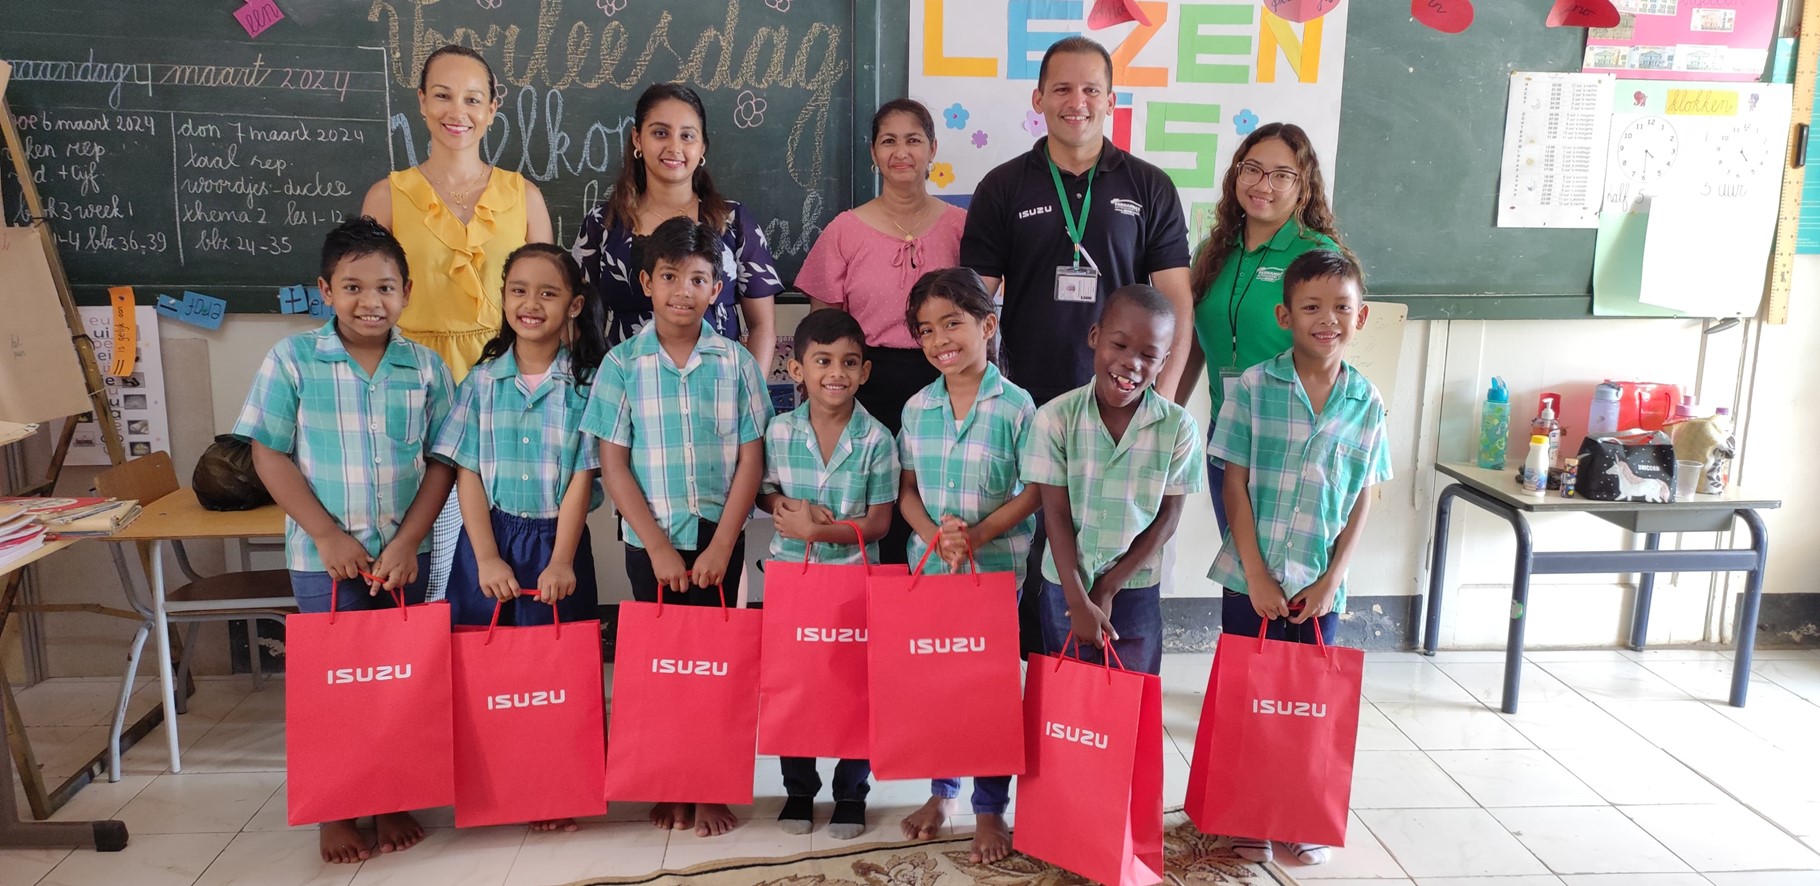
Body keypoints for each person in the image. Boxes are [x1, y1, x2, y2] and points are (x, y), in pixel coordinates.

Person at [233, 217, 456, 864]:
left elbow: (442, 462)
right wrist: (327, 535)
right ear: (325, 291)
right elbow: (268, 453)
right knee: (336, 689)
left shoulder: (425, 368)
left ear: (407, 292)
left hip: (404, 556)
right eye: (353, 287)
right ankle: (336, 811)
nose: (370, 301)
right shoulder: (293, 359)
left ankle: (390, 798)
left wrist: (410, 541)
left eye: (385, 287)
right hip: (322, 559)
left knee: (397, 684)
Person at [579, 216, 772, 838]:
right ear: (646, 282)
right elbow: (613, 462)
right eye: (669, 278)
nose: (682, 291)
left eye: (697, 279)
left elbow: (752, 458)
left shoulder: (737, 363)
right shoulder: (621, 364)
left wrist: (721, 544)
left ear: (717, 288)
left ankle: (710, 784)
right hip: (649, 543)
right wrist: (658, 545)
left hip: (718, 539)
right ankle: (669, 780)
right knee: (661, 667)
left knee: (716, 666)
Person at [1206, 250, 1390, 866]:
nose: (1327, 319)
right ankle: (1246, 813)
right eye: (1311, 306)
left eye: (1341, 307)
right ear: (1285, 315)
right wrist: (1255, 572)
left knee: (1304, 704)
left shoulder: (1367, 402)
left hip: (1319, 583)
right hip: (1250, 578)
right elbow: (1234, 482)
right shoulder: (1254, 387)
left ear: (1361, 317)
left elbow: (1365, 493)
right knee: (1249, 699)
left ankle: (1296, 812)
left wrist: (1334, 578)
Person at [360, 43, 554, 603]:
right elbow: (367, 306)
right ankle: (417, 665)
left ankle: (485, 667)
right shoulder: (388, 195)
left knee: (496, 540)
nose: (457, 111)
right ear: (421, 102)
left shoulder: (523, 196)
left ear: (494, 108)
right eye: (442, 96)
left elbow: (549, 304)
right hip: (409, 380)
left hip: (506, 382)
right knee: (413, 539)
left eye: (473, 99)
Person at [893, 267, 1040, 863]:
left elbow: (1032, 491)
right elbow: (906, 492)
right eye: (925, 330)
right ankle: (942, 792)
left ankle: (989, 808)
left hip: (996, 572)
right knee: (939, 688)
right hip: (931, 571)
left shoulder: (1018, 406)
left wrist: (975, 536)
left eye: (951, 323)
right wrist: (937, 538)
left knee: (990, 693)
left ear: (987, 325)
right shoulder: (916, 407)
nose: (938, 340)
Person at [960, 36, 1193, 406]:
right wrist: (980, 394)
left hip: (1124, 397)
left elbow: (1177, 301)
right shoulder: (1001, 187)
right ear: (1038, 100)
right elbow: (973, 302)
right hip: (1023, 398)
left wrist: (1162, 397)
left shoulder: (1150, 186)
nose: (1077, 103)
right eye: (1062, 89)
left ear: (1111, 101)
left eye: (1091, 90)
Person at [798, 98, 964, 564]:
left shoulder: (961, 227)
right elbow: (823, 330)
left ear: (933, 148)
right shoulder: (844, 230)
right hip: (866, 384)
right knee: (871, 505)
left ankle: (925, 617)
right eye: (888, 141)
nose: (901, 152)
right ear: (873, 152)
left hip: (944, 382)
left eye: (913, 140)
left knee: (932, 497)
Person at [756, 310, 898, 841]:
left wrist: (821, 533)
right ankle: (797, 789)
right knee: (796, 685)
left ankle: (850, 793)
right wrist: (783, 506)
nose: (834, 373)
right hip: (792, 579)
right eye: (822, 361)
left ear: (864, 372)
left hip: (855, 581)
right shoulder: (779, 429)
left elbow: (879, 523)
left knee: (854, 687)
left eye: (848, 362)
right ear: (796, 369)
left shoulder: (878, 440)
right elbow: (763, 490)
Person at [1023, 283, 1205, 675]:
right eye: (1119, 346)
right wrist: (1078, 598)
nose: (1130, 363)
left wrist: (1107, 588)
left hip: (1135, 587)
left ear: (1164, 361)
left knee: (1131, 698)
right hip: (1064, 585)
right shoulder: (1055, 418)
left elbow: (1168, 518)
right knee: (1067, 701)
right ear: (1095, 337)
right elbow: (1053, 515)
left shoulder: (1178, 427)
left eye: (1148, 355)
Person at [1177, 122, 1350, 531]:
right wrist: (1167, 412)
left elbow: (1332, 349)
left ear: (1303, 186)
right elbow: (1196, 342)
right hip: (1228, 433)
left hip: (1292, 435)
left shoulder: (1316, 254)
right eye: (1251, 169)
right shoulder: (1211, 251)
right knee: (1238, 569)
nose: (1262, 184)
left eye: (1281, 175)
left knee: (1286, 575)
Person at [434, 243, 607, 637]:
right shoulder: (481, 382)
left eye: (548, 293)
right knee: (480, 656)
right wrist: (488, 557)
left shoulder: (588, 388)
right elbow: (468, 474)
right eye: (518, 290)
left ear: (574, 306)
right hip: (487, 538)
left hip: (560, 540)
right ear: (504, 297)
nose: (531, 303)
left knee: (558, 659)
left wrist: (562, 560)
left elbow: (583, 477)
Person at [572, 82, 779, 373]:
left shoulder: (734, 222)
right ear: (637, 139)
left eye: (687, 136)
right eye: (660, 133)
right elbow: (580, 324)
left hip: (718, 392)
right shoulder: (602, 224)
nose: (674, 147)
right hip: (626, 391)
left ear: (702, 146)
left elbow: (762, 327)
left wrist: (749, 395)